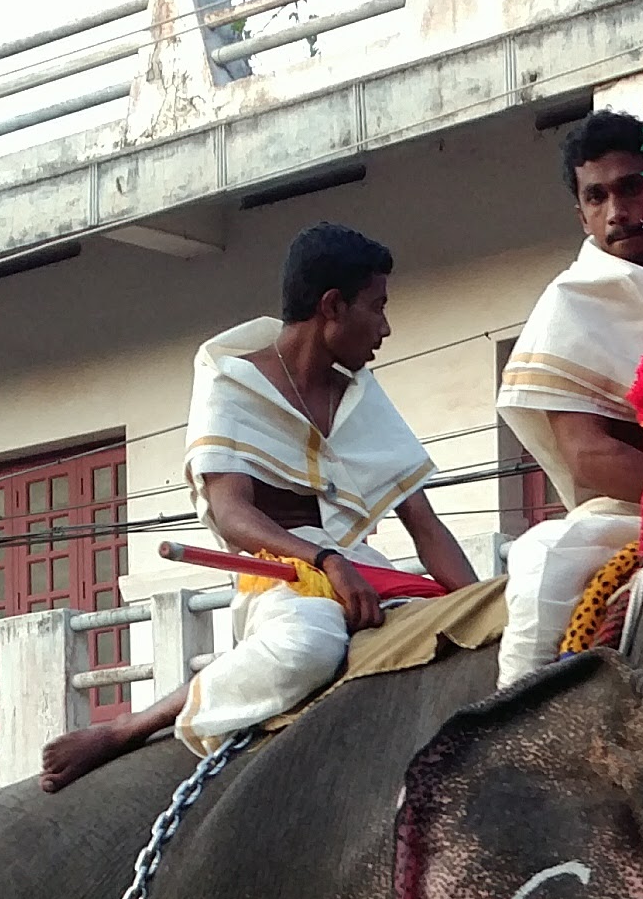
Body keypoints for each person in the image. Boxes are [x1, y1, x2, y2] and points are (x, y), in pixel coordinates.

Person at [45, 222, 473, 787]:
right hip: (280, 584)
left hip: (370, 580)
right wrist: (325, 562)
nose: (387, 328)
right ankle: (129, 729)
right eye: (378, 307)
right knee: (309, 647)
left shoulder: (362, 397)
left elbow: (426, 526)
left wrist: (483, 602)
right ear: (333, 307)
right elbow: (232, 514)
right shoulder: (231, 380)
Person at [494, 108, 643, 683]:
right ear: (582, 214)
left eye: (631, 188)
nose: (616, 212)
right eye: (596, 198)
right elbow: (589, 454)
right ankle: (508, 748)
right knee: (544, 568)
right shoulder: (571, 302)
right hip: (636, 513)